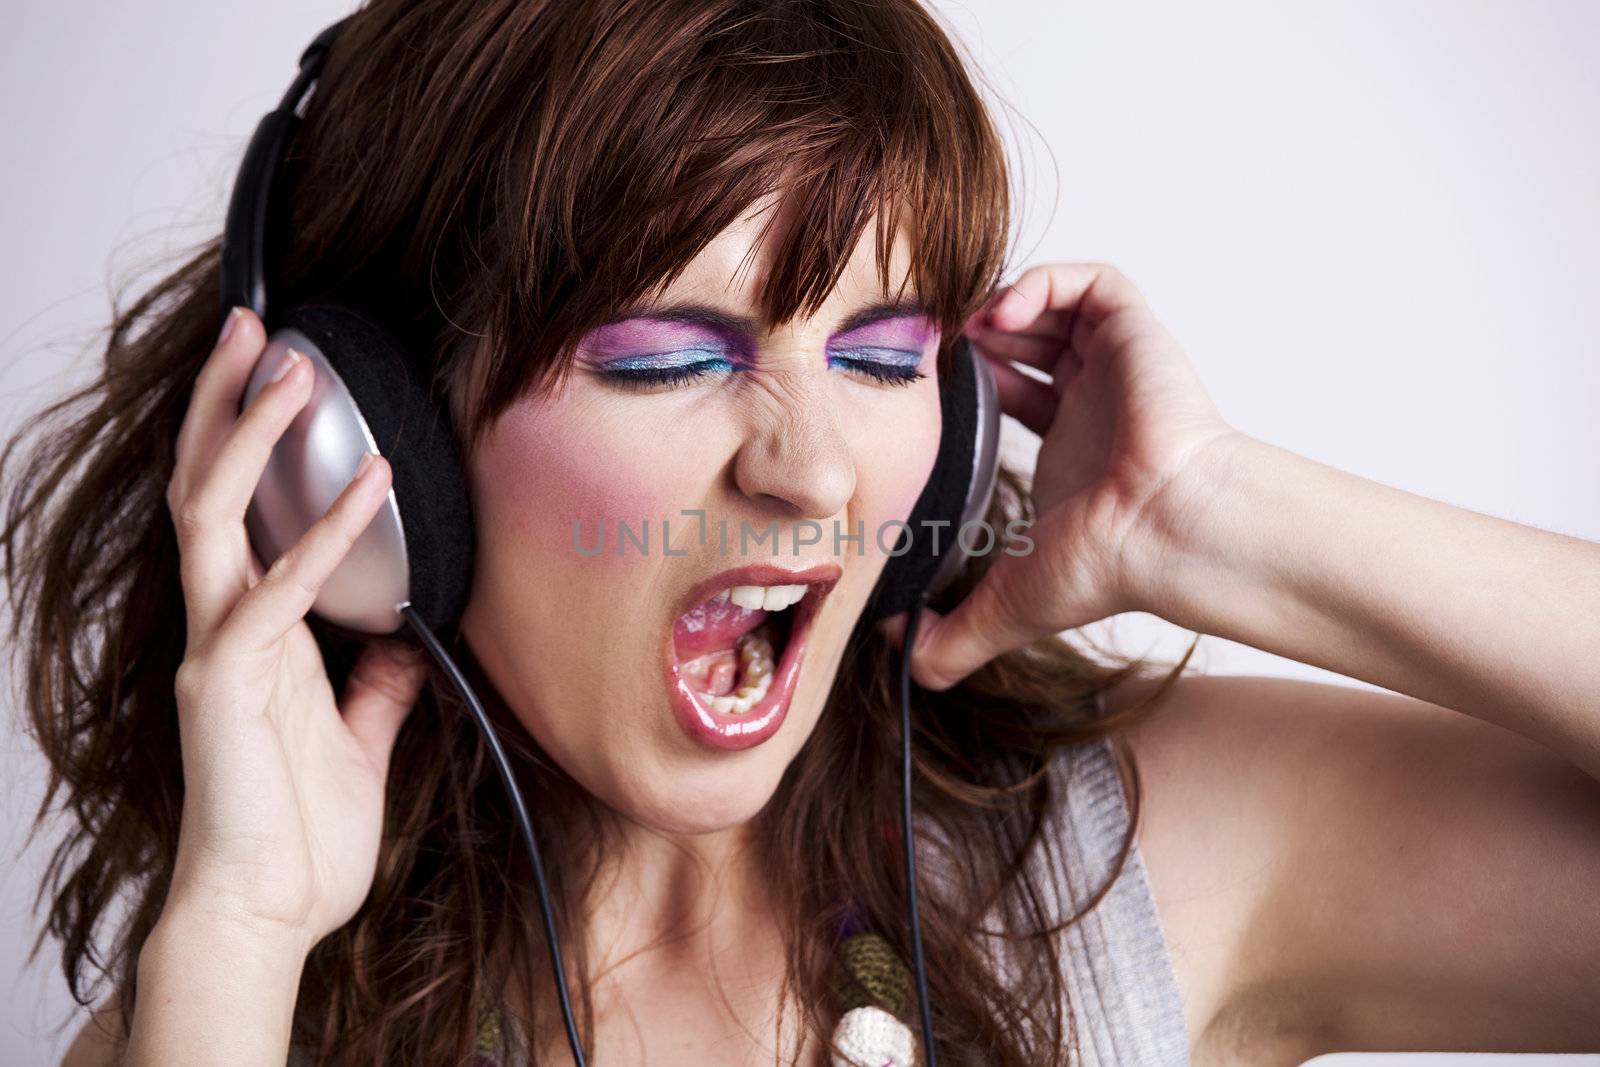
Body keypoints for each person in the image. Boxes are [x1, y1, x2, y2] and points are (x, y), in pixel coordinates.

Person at [8, 1, 1598, 1064]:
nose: (816, 471)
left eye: (886, 357)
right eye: (668, 359)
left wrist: (1213, 518)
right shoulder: (239, 1001)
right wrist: (238, 931)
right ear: (366, 453)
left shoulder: (1132, 871)